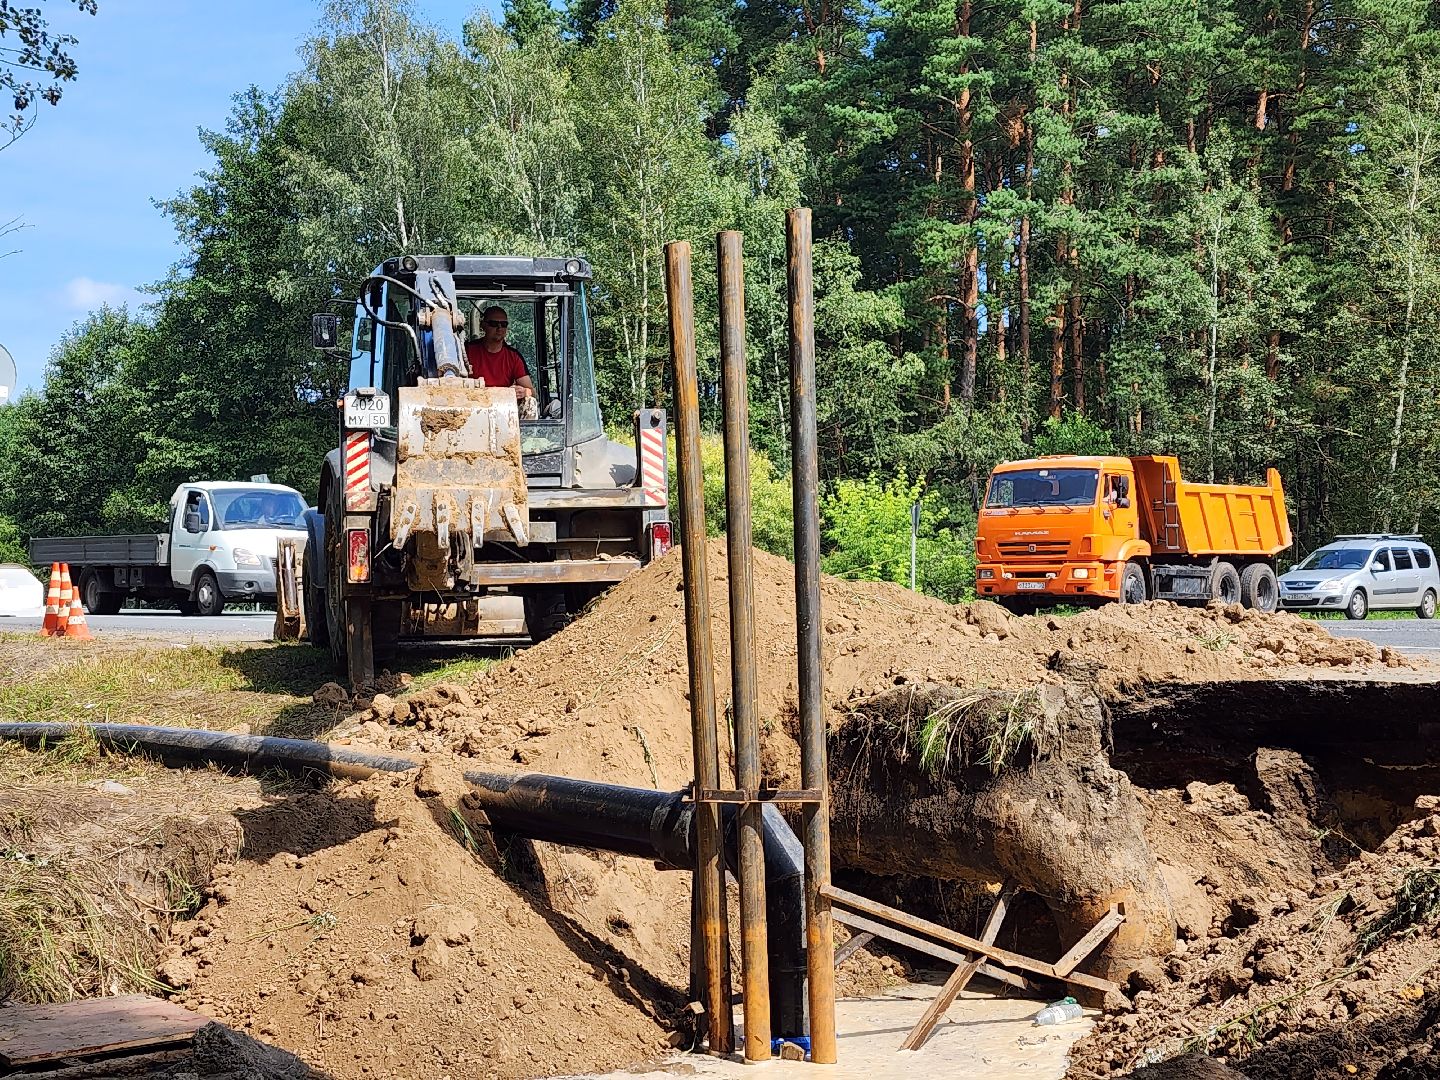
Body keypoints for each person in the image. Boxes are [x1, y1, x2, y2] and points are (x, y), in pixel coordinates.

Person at [466, 306, 535, 401]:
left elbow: (532, 391)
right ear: (483, 325)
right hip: (472, 404)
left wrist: (525, 392)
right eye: (493, 324)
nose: (499, 328)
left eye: (503, 324)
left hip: (503, 407)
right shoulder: (467, 351)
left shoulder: (514, 357)